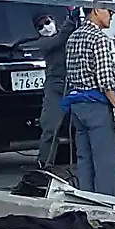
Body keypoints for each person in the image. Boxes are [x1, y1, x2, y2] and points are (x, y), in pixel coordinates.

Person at [62, 0, 115, 195]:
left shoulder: (74, 37)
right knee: (106, 159)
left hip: (76, 104)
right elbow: (105, 80)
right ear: (96, 10)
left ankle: (85, 197)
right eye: (109, 12)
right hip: (96, 105)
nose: (111, 16)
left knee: (84, 156)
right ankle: (105, 201)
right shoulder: (100, 39)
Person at [32, 11, 78, 167]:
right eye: (40, 26)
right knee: (50, 127)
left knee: (83, 127)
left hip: (74, 86)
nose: (45, 28)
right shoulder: (44, 43)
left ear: (53, 21)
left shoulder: (70, 36)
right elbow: (60, 39)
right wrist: (70, 20)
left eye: (47, 23)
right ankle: (44, 164)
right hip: (55, 89)